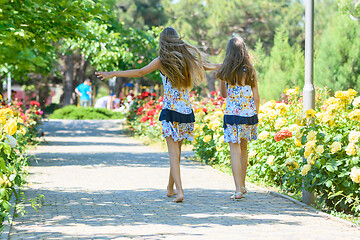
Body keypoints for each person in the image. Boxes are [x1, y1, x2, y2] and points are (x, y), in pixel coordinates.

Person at [95, 27, 219, 202]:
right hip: (186, 113)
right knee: (177, 154)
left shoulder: (161, 61)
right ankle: (170, 189)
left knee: (173, 154)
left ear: (162, 42)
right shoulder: (187, 60)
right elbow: (207, 66)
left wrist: (113, 73)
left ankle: (180, 191)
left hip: (170, 113)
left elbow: (139, 72)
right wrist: (224, 66)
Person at [217, 37, 260, 200]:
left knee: (234, 151)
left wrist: (222, 80)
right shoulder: (250, 70)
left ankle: (237, 190)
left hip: (232, 116)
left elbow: (224, 95)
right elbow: (256, 97)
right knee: (244, 149)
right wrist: (255, 115)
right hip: (248, 116)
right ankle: (242, 185)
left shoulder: (224, 71)